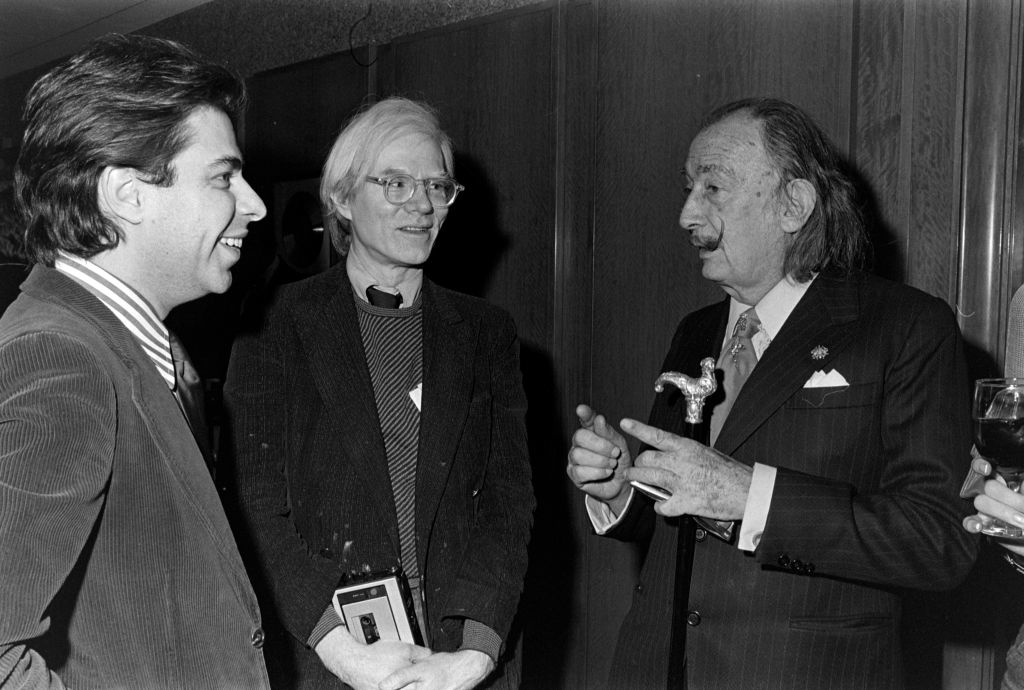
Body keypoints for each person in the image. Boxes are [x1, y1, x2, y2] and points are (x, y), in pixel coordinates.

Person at [567, 97, 979, 689]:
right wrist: (620, 489)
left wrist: (749, 495)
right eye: (689, 188)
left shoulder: (905, 326)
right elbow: (680, 523)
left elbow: (938, 541)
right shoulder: (695, 332)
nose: (687, 214)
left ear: (794, 204)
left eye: (713, 188)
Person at [225, 97, 534, 690]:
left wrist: (476, 655)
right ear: (341, 197)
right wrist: (340, 651)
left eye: (437, 186)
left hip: (459, 661)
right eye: (395, 183)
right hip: (325, 655)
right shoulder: (274, 323)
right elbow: (253, 506)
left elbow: (507, 504)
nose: (421, 204)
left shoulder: (487, 333)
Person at [0, 34, 270, 688]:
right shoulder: (62, 358)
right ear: (127, 194)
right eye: (224, 177)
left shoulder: (121, 344)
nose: (256, 205)